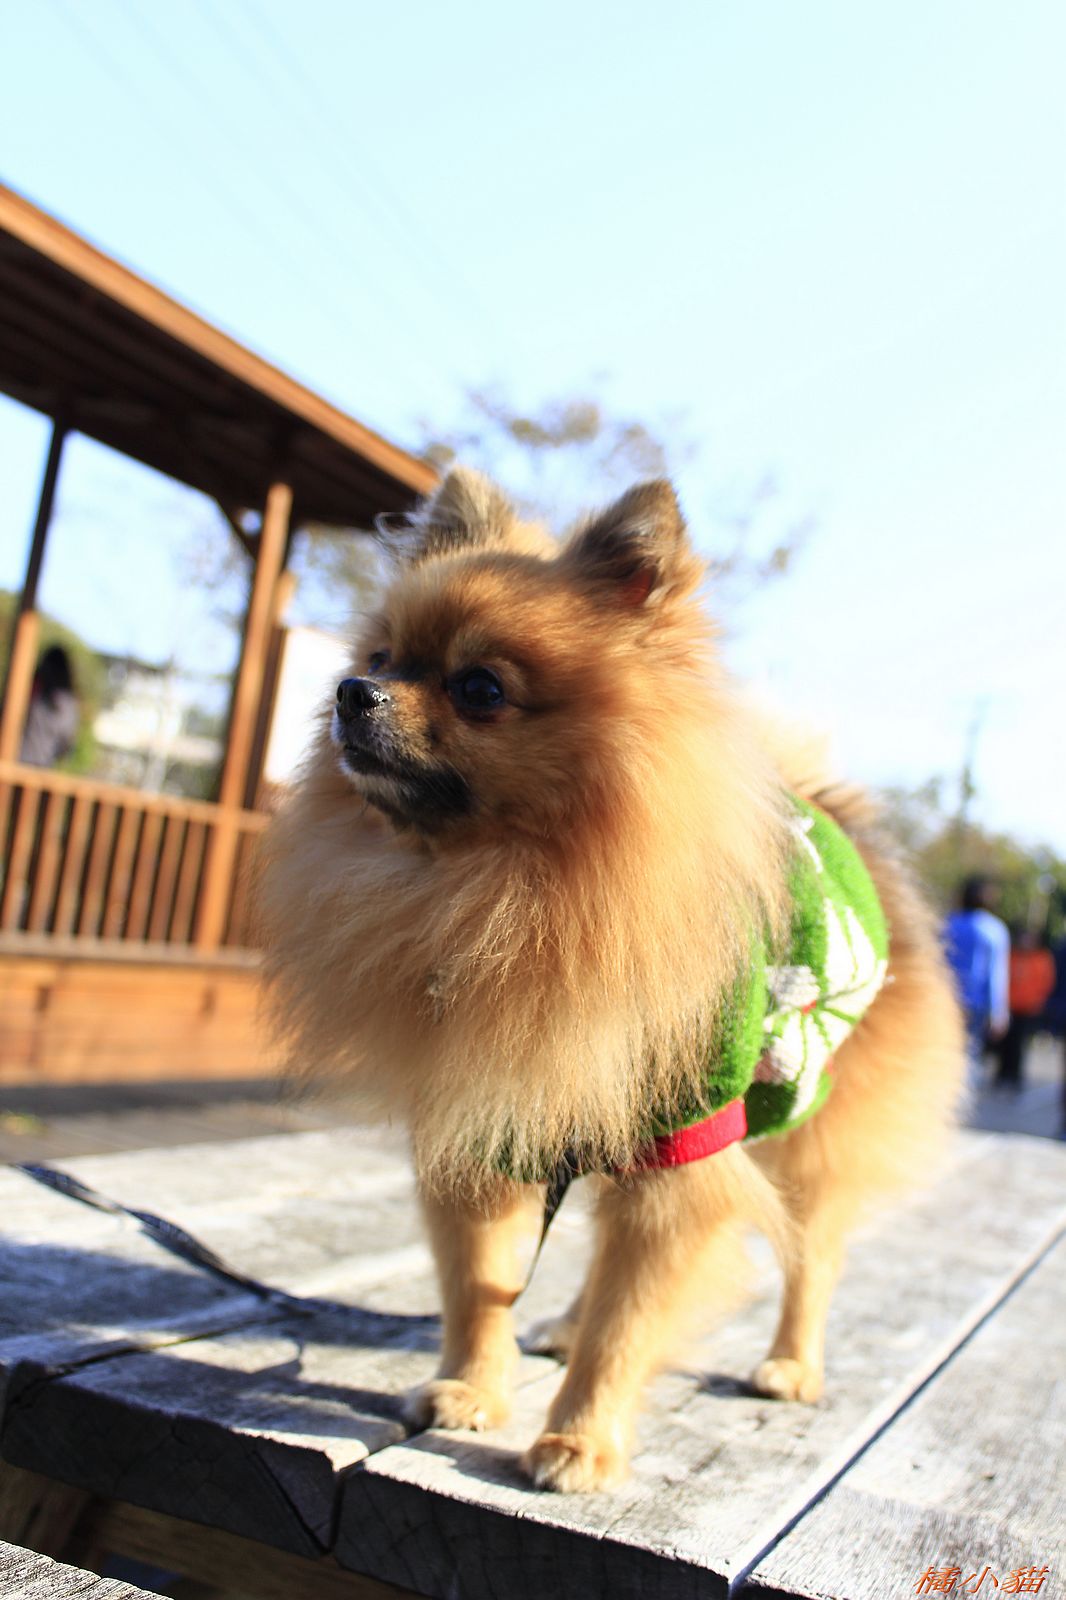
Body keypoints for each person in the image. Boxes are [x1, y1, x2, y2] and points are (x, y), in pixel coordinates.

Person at [944, 875, 1010, 1074]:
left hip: (947, 997)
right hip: (976, 1003)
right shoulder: (994, 929)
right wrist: (998, 1012)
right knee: (970, 1055)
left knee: (945, 1050)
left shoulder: (949, 923)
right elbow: (996, 974)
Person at [992, 926, 1055, 1090]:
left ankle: (1015, 1076)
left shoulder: (1041, 958)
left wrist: (1038, 1001)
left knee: (1019, 1043)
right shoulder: (1012, 956)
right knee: (1005, 1042)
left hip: (1028, 1008)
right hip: (1010, 1005)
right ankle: (1002, 1074)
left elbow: (1045, 983)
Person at [19, 644, 80, 767]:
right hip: (41, 767)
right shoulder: (69, 704)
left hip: (15, 760)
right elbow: (66, 745)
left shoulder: (31, 689)